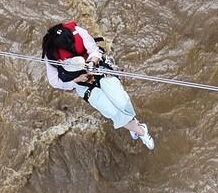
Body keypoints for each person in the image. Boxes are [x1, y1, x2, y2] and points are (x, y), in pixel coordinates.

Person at [42, 21, 154, 150]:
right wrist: (76, 80)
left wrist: (92, 62)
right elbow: (54, 81)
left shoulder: (78, 31)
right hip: (82, 83)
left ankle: (133, 126)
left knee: (121, 102)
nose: (72, 46)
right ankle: (141, 131)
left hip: (99, 69)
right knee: (111, 111)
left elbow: (94, 51)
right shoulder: (51, 54)